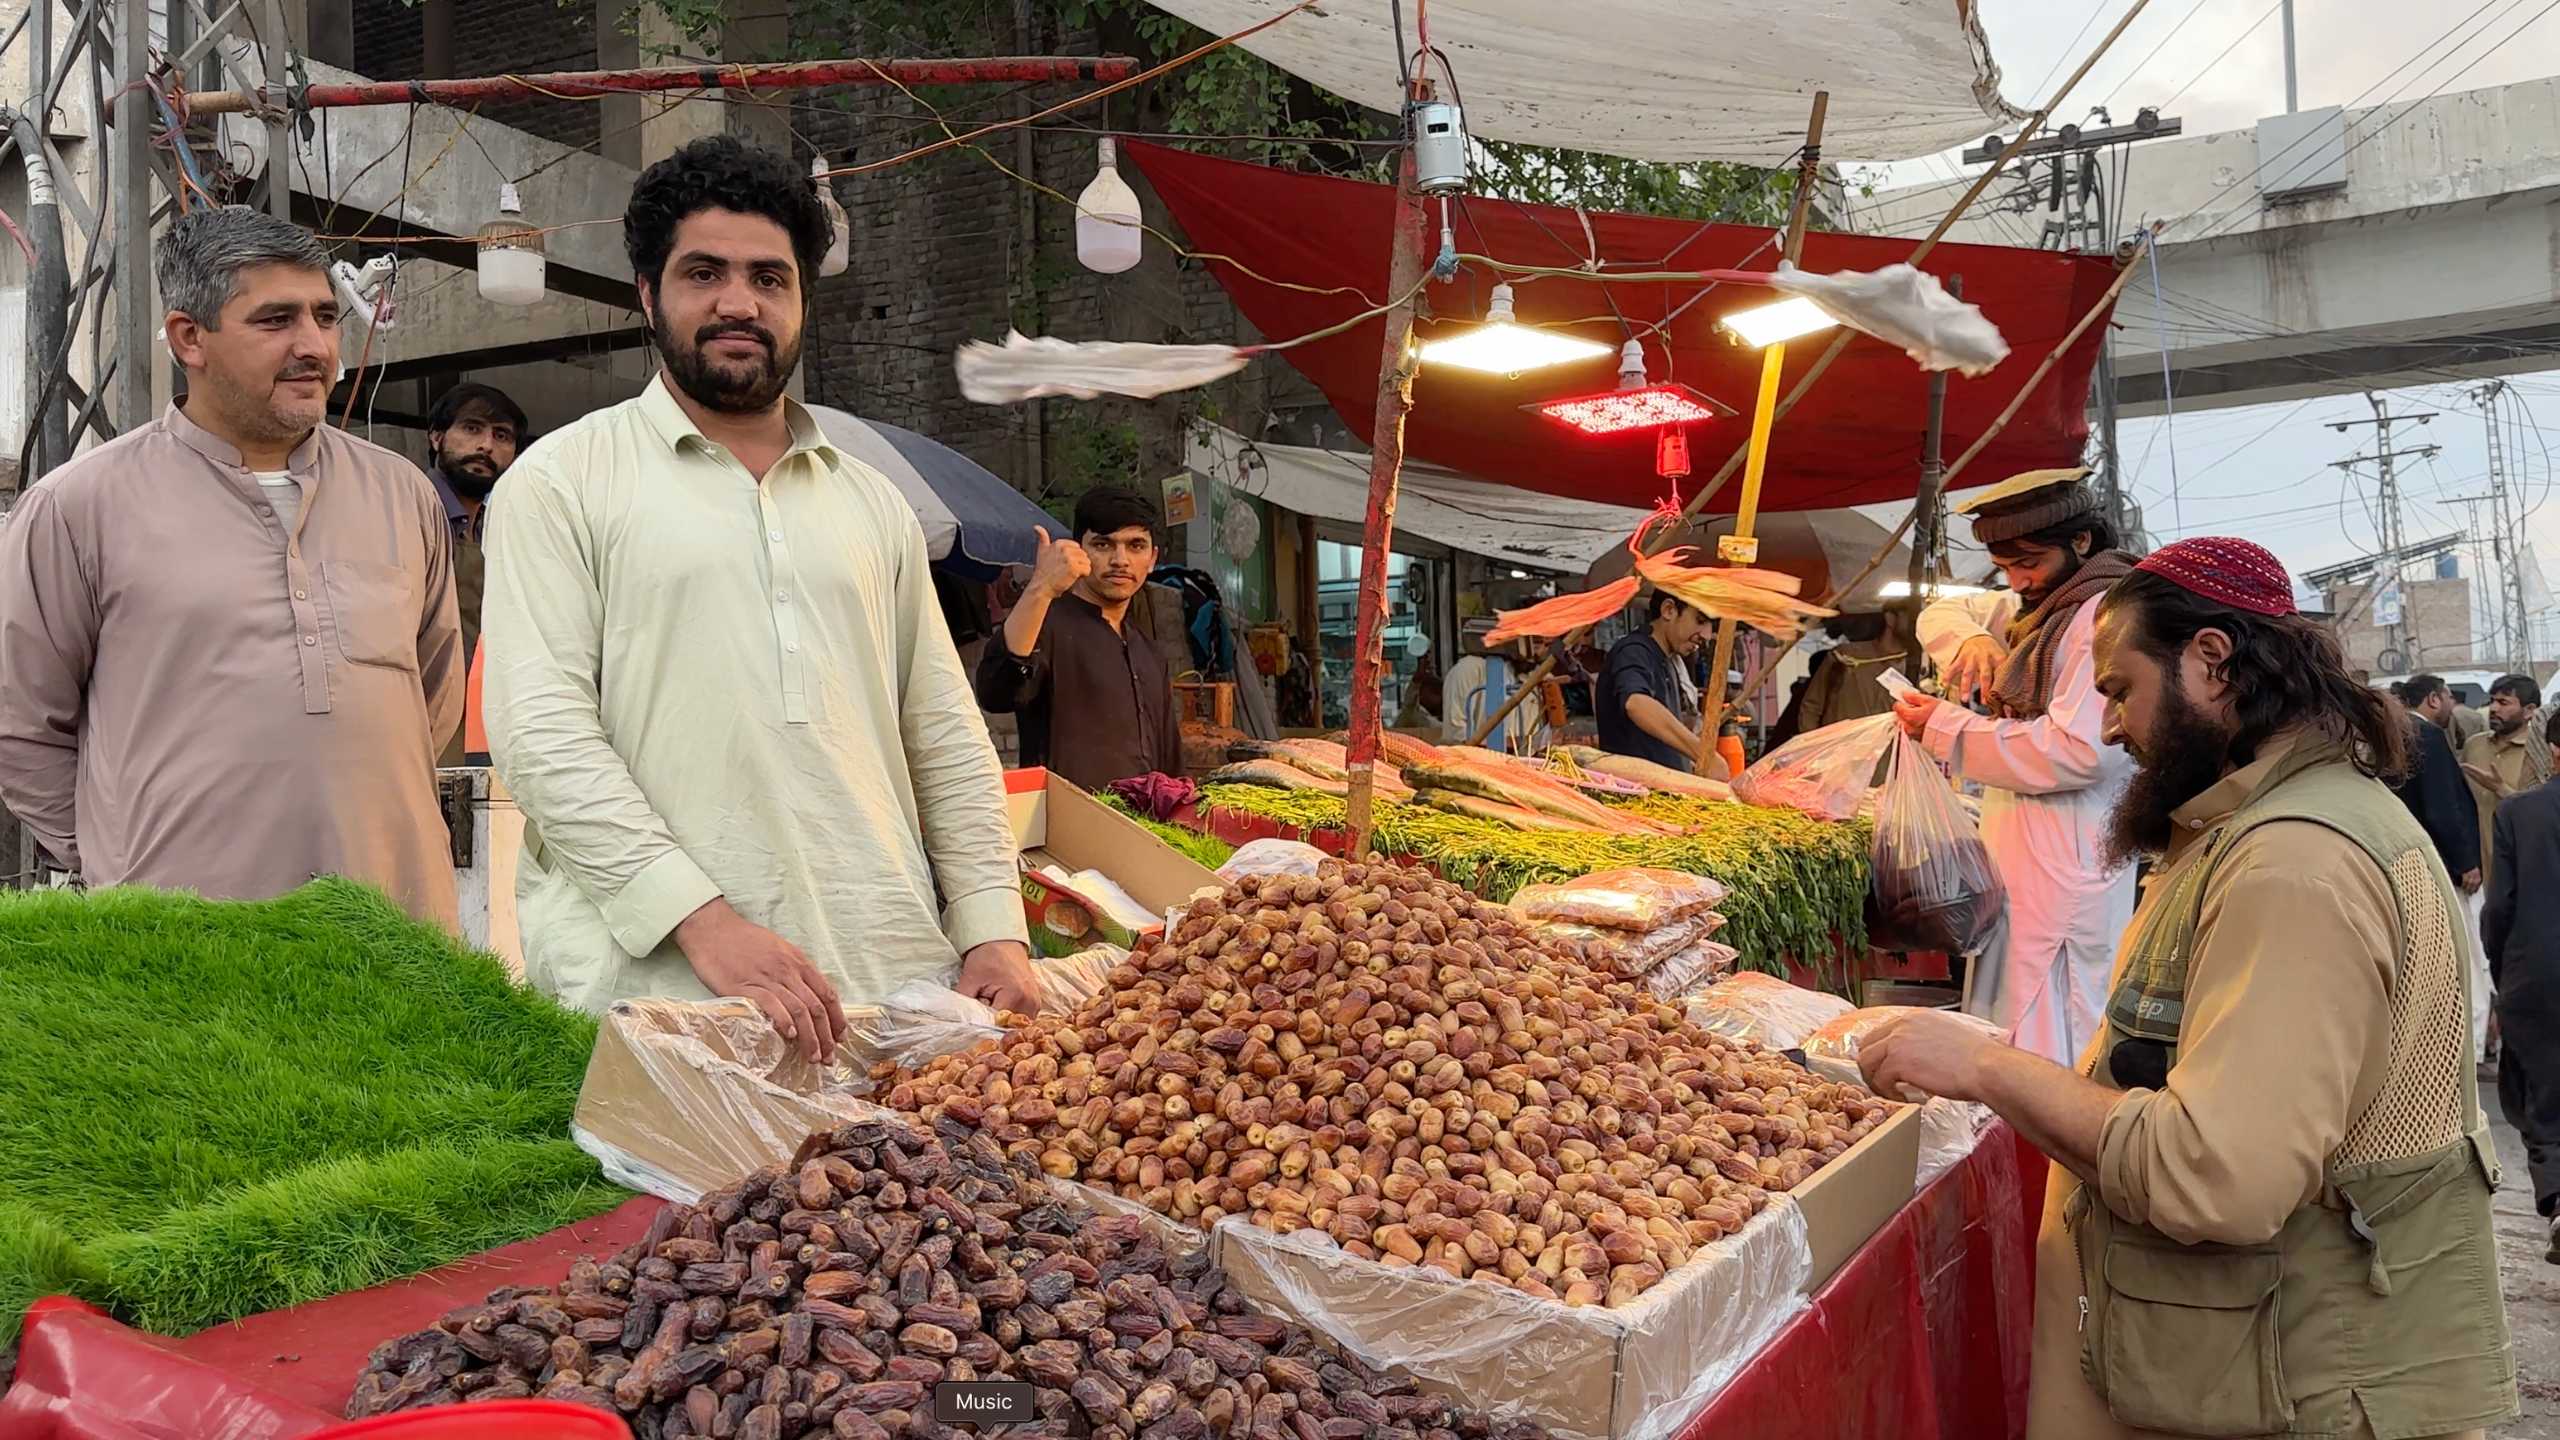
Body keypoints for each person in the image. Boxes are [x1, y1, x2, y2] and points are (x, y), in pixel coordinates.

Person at [1863, 537, 2515, 1440]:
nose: (2113, 725)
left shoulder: (2294, 863)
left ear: (2210, 661)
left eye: (2122, 689)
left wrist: (1987, 1068)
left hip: (2292, 1381)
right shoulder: (2263, 825)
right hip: (2246, 1365)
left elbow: (2216, 1178)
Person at [481, 135, 1033, 1058]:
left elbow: (940, 726)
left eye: (769, 278)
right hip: (663, 992)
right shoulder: (562, 481)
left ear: (802, 301)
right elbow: (541, 732)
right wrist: (702, 921)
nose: (739, 302)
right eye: (704, 273)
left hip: (887, 983)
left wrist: (992, 924)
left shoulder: (871, 502)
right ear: (649, 295)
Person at [0, 206, 463, 925]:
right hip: (183, 946)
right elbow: (21, 725)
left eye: (324, 316)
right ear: (191, 338)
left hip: (396, 930)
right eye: (276, 320)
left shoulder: (403, 494)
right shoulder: (79, 506)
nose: (313, 346)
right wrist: (116, 857)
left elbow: (431, 704)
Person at [1895, 468, 2138, 1064]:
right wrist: (1970, 643)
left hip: (2069, 861)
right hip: (2024, 856)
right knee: (2008, 1019)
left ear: (2080, 543)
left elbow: (2078, 752)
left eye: (2028, 561)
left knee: (2052, 1030)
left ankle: (2049, 1151)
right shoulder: (2038, 609)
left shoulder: (2104, 616)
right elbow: (1939, 614)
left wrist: (1946, 728)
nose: (2017, 580)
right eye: (2005, 567)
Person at [974, 487, 1183, 791]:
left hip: (1142, 831)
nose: (1120, 560)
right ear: (1078, 551)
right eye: (1103, 544)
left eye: (1135, 546)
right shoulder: (1046, 623)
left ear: (1152, 559)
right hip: (1065, 829)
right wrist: (1041, 589)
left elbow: (1170, 763)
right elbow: (996, 692)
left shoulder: (1149, 652)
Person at [2485, 707, 2560, 1261]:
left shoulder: (2519, 814)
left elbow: (2500, 905)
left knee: (2543, 1092)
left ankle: (2558, 1201)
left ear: (2552, 752)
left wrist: (2500, 965)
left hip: (2538, 972)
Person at [423, 380, 526, 764]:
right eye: (471, 429)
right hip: (416, 714)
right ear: (436, 437)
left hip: (487, 720)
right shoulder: (408, 509)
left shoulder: (501, 527)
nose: (486, 445)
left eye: (502, 435)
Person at [2460, 672, 2551, 1063]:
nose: (2494, 709)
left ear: (2530, 711)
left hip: (2524, 874)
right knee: (2479, 960)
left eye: (2505, 702)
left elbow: (2541, 812)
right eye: (2493, 701)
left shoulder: (2537, 752)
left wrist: (2501, 790)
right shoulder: (2474, 746)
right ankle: (2488, 1042)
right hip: (2477, 872)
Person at [1596, 591, 1720, 774]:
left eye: (1711, 626)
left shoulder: (1668, 661)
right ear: (1669, 610)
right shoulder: (1634, 651)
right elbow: (1636, 703)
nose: (1707, 635)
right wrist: (1702, 753)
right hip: (1637, 794)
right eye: (1700, 621)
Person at [2390, 690, 2482, 893]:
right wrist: (2465, 862)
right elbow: (2441, 807)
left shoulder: (2396, 731)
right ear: (2433, 699)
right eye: (2449, 698)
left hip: (2408, 857)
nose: (2453, 705)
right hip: (2441, 864)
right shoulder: (2427, 734)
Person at [1796, 611, 1908, 732]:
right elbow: (1812, 707)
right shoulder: (1846, 656)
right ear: (1890, 618)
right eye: (1910, 616)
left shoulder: (1916, 667)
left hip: (1883, 748)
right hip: (1839, 746)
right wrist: (1813, 746)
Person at [1445, 633, 1549, 754]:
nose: (1542, 651)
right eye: (1537, 643)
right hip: (1477, 761)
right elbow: (1455, 734)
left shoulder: (1534, 678)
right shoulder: (1468, 669)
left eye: (1547, 645)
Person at [2407, 672, 2487, 750]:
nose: (2453, 703)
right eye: (2450, 697)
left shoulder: (2400, 728)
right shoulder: (2430, 734)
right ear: (2433, 699)